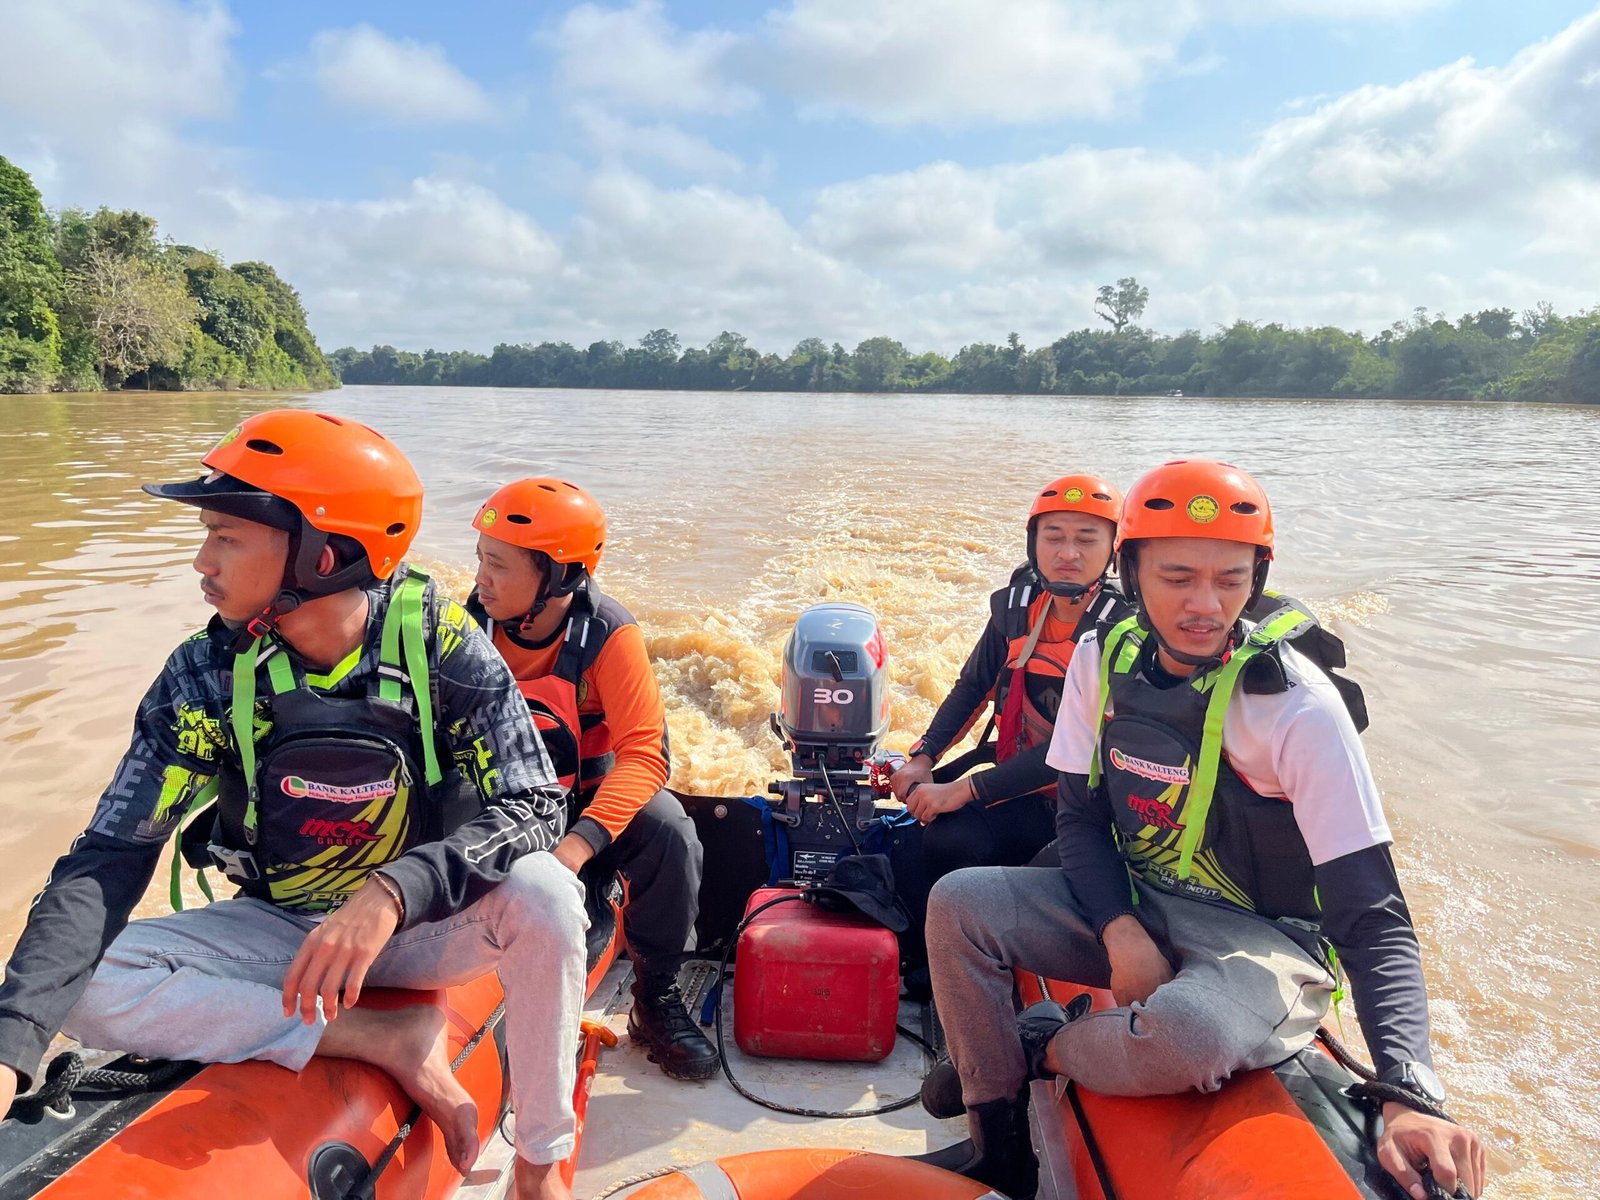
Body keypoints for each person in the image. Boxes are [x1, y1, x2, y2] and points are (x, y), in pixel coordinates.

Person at [0, 411, 588, 1200]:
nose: (201, 562)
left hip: (423, 925)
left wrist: (393, 892)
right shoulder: (206, 674)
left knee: (549, 892)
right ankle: (384, 1039)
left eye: (228, 538)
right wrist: (12, 1045)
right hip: (284, 926)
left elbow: (532, 803)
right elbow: (111, 853)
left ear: (327, 552)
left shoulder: (439, 643)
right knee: (88, 988)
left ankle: (540, 1165)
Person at [917, 459, 1486, 1200]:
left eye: (1230, 579)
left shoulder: (1299, 710)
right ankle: (997, 1150)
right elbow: (1082, 818)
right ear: (1131, 571)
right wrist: (1120, 929)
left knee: (1189, 1036)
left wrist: (1411, 1093)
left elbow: (1373, 914)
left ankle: (1040, 1046)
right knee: (959, 901)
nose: (1204, 605)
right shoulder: (1103, 656)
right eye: (1177, 576)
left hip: (1261, 937)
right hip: (1139, 892)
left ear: (1259, 575)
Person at [467, 478, 716, 1081]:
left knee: (671, 833)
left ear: (557, 576)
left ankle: (654, 998)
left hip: (585, 801)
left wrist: (577, 847)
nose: (481, 578)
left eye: (497, 564)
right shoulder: (467, 627)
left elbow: (646, 757)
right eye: (479, 559)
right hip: (506, 798)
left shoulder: (610, 635)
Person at [890, 475, 1129, 889]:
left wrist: (966, 790)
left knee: (959, 840)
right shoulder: (1018, 611)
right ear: (1033, 544)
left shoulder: (1125, 632)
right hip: (1018, 785)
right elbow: (973, 687)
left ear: (1113, 551)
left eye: (1087, 539)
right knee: (926, 838)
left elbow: (1084, 743)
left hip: (1091, 807)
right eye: (1053, 536)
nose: (1068, 553)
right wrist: (924, 755)